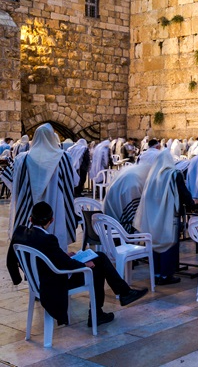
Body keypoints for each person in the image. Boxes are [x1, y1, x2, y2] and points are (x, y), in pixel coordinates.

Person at [7, 201, 147, 327]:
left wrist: (17, 279)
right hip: (53, 283)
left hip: (38, 281)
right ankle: (102, 310)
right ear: (51, 220)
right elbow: (64, 265)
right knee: (97, 268)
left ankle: (122, 294)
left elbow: (11, 260)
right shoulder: (48, 239)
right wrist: (84, 265)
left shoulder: (20, 233)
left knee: (99, 258)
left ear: (30, 219)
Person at [8, 123, 78, 251]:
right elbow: (74, 182)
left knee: (31, 244)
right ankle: (56, 257)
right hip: (56, 205)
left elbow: (13, 183)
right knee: (56, 238)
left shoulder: (22, 159)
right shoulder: (64, 158)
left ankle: (31, 257)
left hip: (29, 206)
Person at [133, 149, 198, 285]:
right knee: (169, 242)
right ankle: (166, 275)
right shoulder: (174, 174)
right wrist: (193, 205)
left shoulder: (152, 175)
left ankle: (157, 273)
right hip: (169, 214)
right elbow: (183, 193)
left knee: (155, 242)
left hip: (153, 215)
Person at [103, 139, 162, 233]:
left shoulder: (140, 159)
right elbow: (133, 212)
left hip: (108, 222)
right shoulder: (134, 185)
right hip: (120, 228)